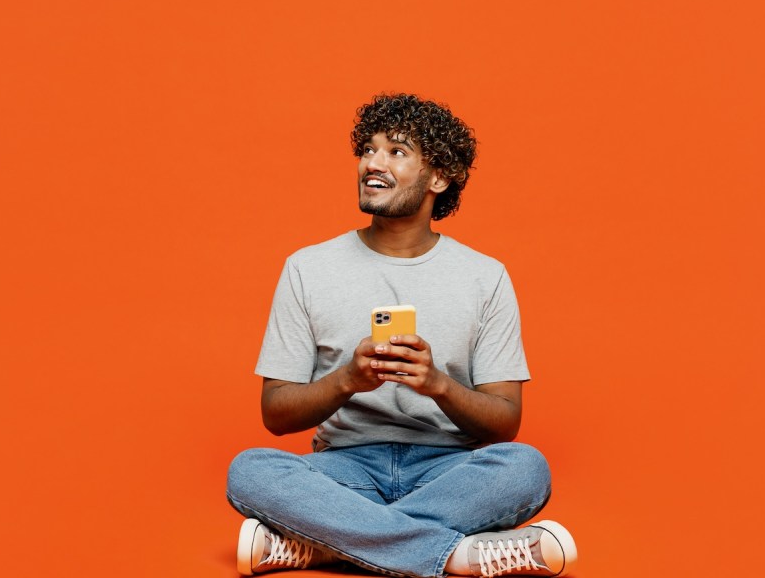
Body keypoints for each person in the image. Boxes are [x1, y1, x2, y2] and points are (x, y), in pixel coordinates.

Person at [226, 94, 577, 578]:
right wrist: (347, 380)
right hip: (345, 473)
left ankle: (328, 545)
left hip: (448, 473)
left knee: (526, 468)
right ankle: (455, 556)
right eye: (368, 150)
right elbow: (275, 415)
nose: (373, 163)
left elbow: (505, 423)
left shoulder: (485, 277)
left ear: (439, 178)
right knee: (250, 471)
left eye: (396, 151)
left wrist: (437, 385)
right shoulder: (307, 268)